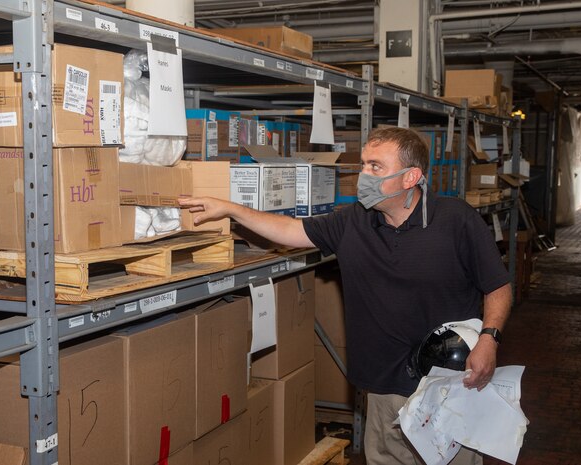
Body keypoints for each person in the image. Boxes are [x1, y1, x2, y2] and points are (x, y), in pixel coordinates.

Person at [179, 126, 512, 465]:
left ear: (411, 177)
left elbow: (498, 286)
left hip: (451, 384)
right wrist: (232, 209)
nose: (362, 175)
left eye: (375, 167)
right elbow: (290, 230)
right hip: (384, 386)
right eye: (364, 164)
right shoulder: (354, 222)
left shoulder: (456, 221)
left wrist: (490, 338)